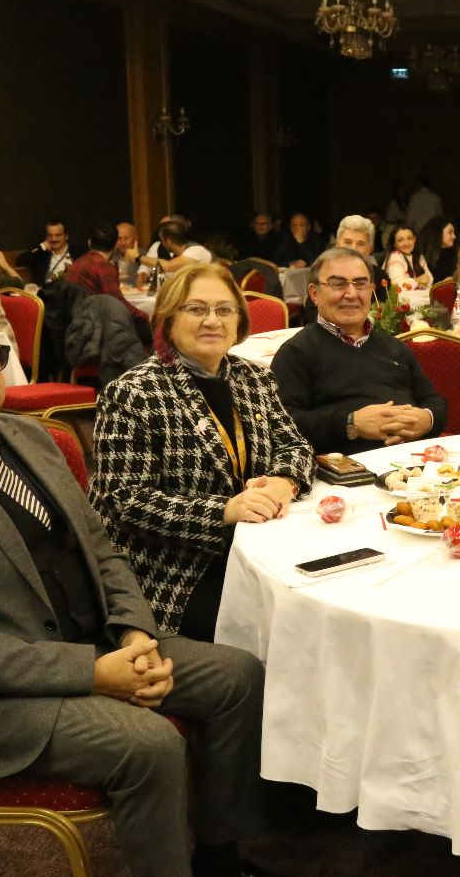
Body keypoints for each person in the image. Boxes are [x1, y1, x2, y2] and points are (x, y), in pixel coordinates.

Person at [0, 290, 275, 877]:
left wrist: (133, 634)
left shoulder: (30, 437)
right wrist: (92, 675)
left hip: (92, 644)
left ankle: (220, 855)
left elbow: (102, 551)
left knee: (237, 675)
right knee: (149, 743)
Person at [91, 264, 313, 642]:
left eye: (224, 310)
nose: (212, 320)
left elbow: (296, 445)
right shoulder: (133, 393)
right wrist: (224, 511)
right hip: (175, 568)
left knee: (314, 602)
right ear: (167, 319)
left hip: (257, 549)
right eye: (196, 309)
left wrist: (284, 480)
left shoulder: (253, 378)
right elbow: (128, 503)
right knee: (286, 627)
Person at [271, 248, 446, 455]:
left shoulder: (394, 346)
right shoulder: (296, 353)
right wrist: (350, 423)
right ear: (314, 293)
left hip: (416, 461)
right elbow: (280, 426)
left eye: (361, 284)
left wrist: (427, 419)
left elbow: (435, 401)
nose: (352, 294)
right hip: (347, 472)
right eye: (338, 284)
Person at [67, 223, 152, 332]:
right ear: (115, 244)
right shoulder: (102, 265)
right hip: (93, 327)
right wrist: (146, 316)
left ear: (90, 243)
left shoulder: (79, 262)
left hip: (76, 323)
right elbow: (117, 303)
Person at [19, 218, 84, 285]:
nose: (53, 239)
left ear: (66, 236)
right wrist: (41, 247)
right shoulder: (41, 255)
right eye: (50, 235)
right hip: (45, 293)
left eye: (58, 235)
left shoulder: (78, 252)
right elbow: (20, 260)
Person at [383, 224, 434, 295]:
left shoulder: (419, 256)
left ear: (414, 239)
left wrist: (421, 281)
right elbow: (398, 285)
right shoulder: (395, 256)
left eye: (409, 238)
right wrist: (417, 280)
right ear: (394, 244)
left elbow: (430, 279)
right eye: (400, 240)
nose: (406, 243)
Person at [419, 215, 459, 281]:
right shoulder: (423, 257)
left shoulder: (457, 255)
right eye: (450, 232)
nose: (454, 236)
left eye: (454, 232)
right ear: (438, 233)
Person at [114, 221, 143, 285]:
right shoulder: (110, 257)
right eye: (119, 239)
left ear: (135, 239)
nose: (123, 243)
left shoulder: (144, 256)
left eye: (126, 238)